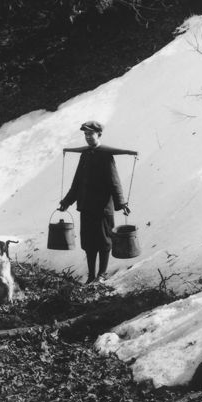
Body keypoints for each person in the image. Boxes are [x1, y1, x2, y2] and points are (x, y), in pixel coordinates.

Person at [58, 121, 130, 283]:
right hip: (86, 207)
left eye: (91, 134)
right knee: (89, 243)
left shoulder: (106, 156)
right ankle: (91, 275)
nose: (88, 137)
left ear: (99, 135)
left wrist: (121, 203)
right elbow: (77, 183)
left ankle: (102, 274)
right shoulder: (85, 155)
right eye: (85, 134)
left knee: (104, 241)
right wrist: (67, 201)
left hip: (103, 208)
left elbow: (114, 182)